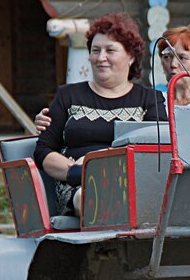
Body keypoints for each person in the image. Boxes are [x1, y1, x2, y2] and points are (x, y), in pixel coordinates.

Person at [33, 13, 166, 217]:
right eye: (95, 50)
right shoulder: (68, 95)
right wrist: (77, 171)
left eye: (110, 50)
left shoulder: (150, 100)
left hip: (134, 186)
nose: (101, 57)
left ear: (131, 56)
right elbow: (43, 151)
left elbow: (157, 153)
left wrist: (100, 167)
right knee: (92, 197)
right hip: (79, 188)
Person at [33, 22, 190, 131]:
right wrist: (50, 120)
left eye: (182, 57)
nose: (173, 64)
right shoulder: (155, 97)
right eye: (166, 57)